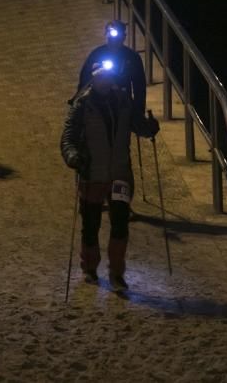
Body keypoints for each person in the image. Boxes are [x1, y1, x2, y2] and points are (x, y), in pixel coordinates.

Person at [61, 60, 159, 291]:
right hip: (92, 174)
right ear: (94, 78)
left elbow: (138, 126)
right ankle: (90, 269)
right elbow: (68, 138)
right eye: (101, 75)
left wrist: (150, 128)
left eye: (108, 75)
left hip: (119, 174)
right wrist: (73, 157)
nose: (105, 79)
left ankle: (117, 273)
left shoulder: (124, 101)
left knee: (120, 225)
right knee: (91, 224)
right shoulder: (82, 105)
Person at [77, 20, 146, 119]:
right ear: (106, 36)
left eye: (117, 36)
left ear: (124, 37)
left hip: (122, 104)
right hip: (98, 104)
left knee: (121, 132)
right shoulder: (97, 54)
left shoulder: (132, 57)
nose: (113, 40)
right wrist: (81, 105)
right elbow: (84, 80)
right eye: (109, 35)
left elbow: (139, 86)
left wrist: (138, 112)